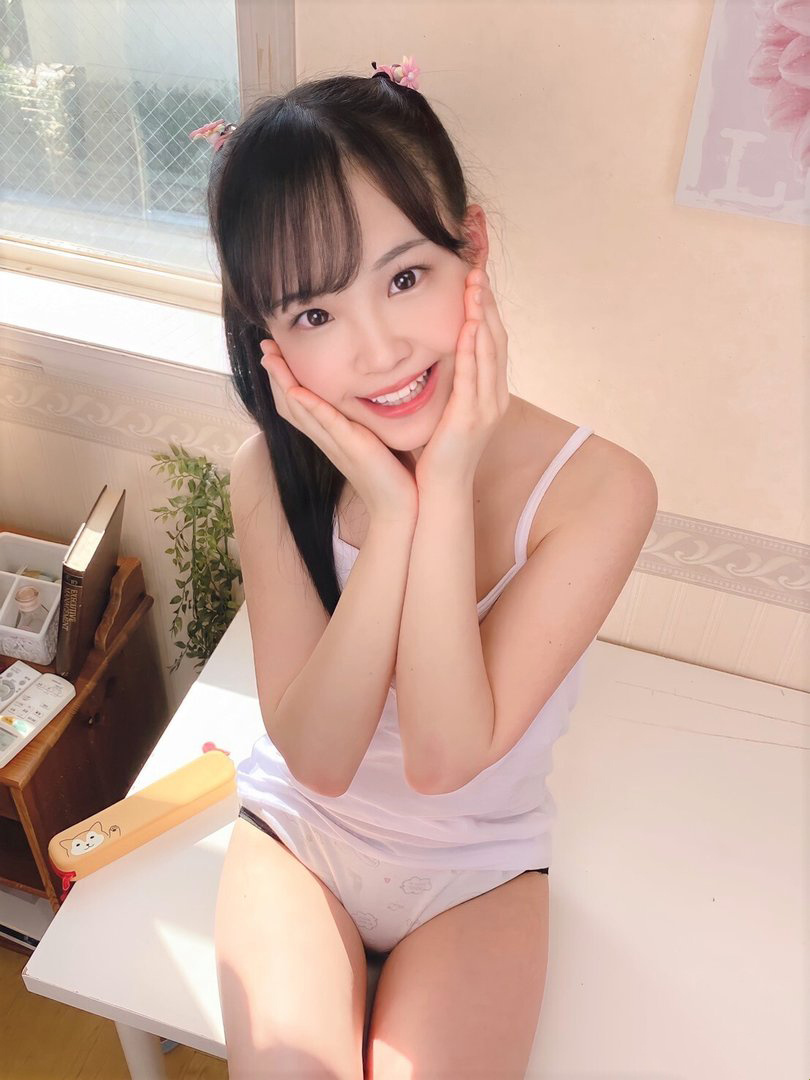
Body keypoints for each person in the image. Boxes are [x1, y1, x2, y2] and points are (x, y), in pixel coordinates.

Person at [200, 56, 655, 1080]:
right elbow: (319, 758)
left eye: (405, 278)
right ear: (268, 340)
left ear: (472, 248)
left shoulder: (599, 491)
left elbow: (446, 758)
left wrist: (443, 484)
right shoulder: (269, 476)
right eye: (314, 315)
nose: (379, 350)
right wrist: (393, 518)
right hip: (298, 840)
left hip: (477, 871)